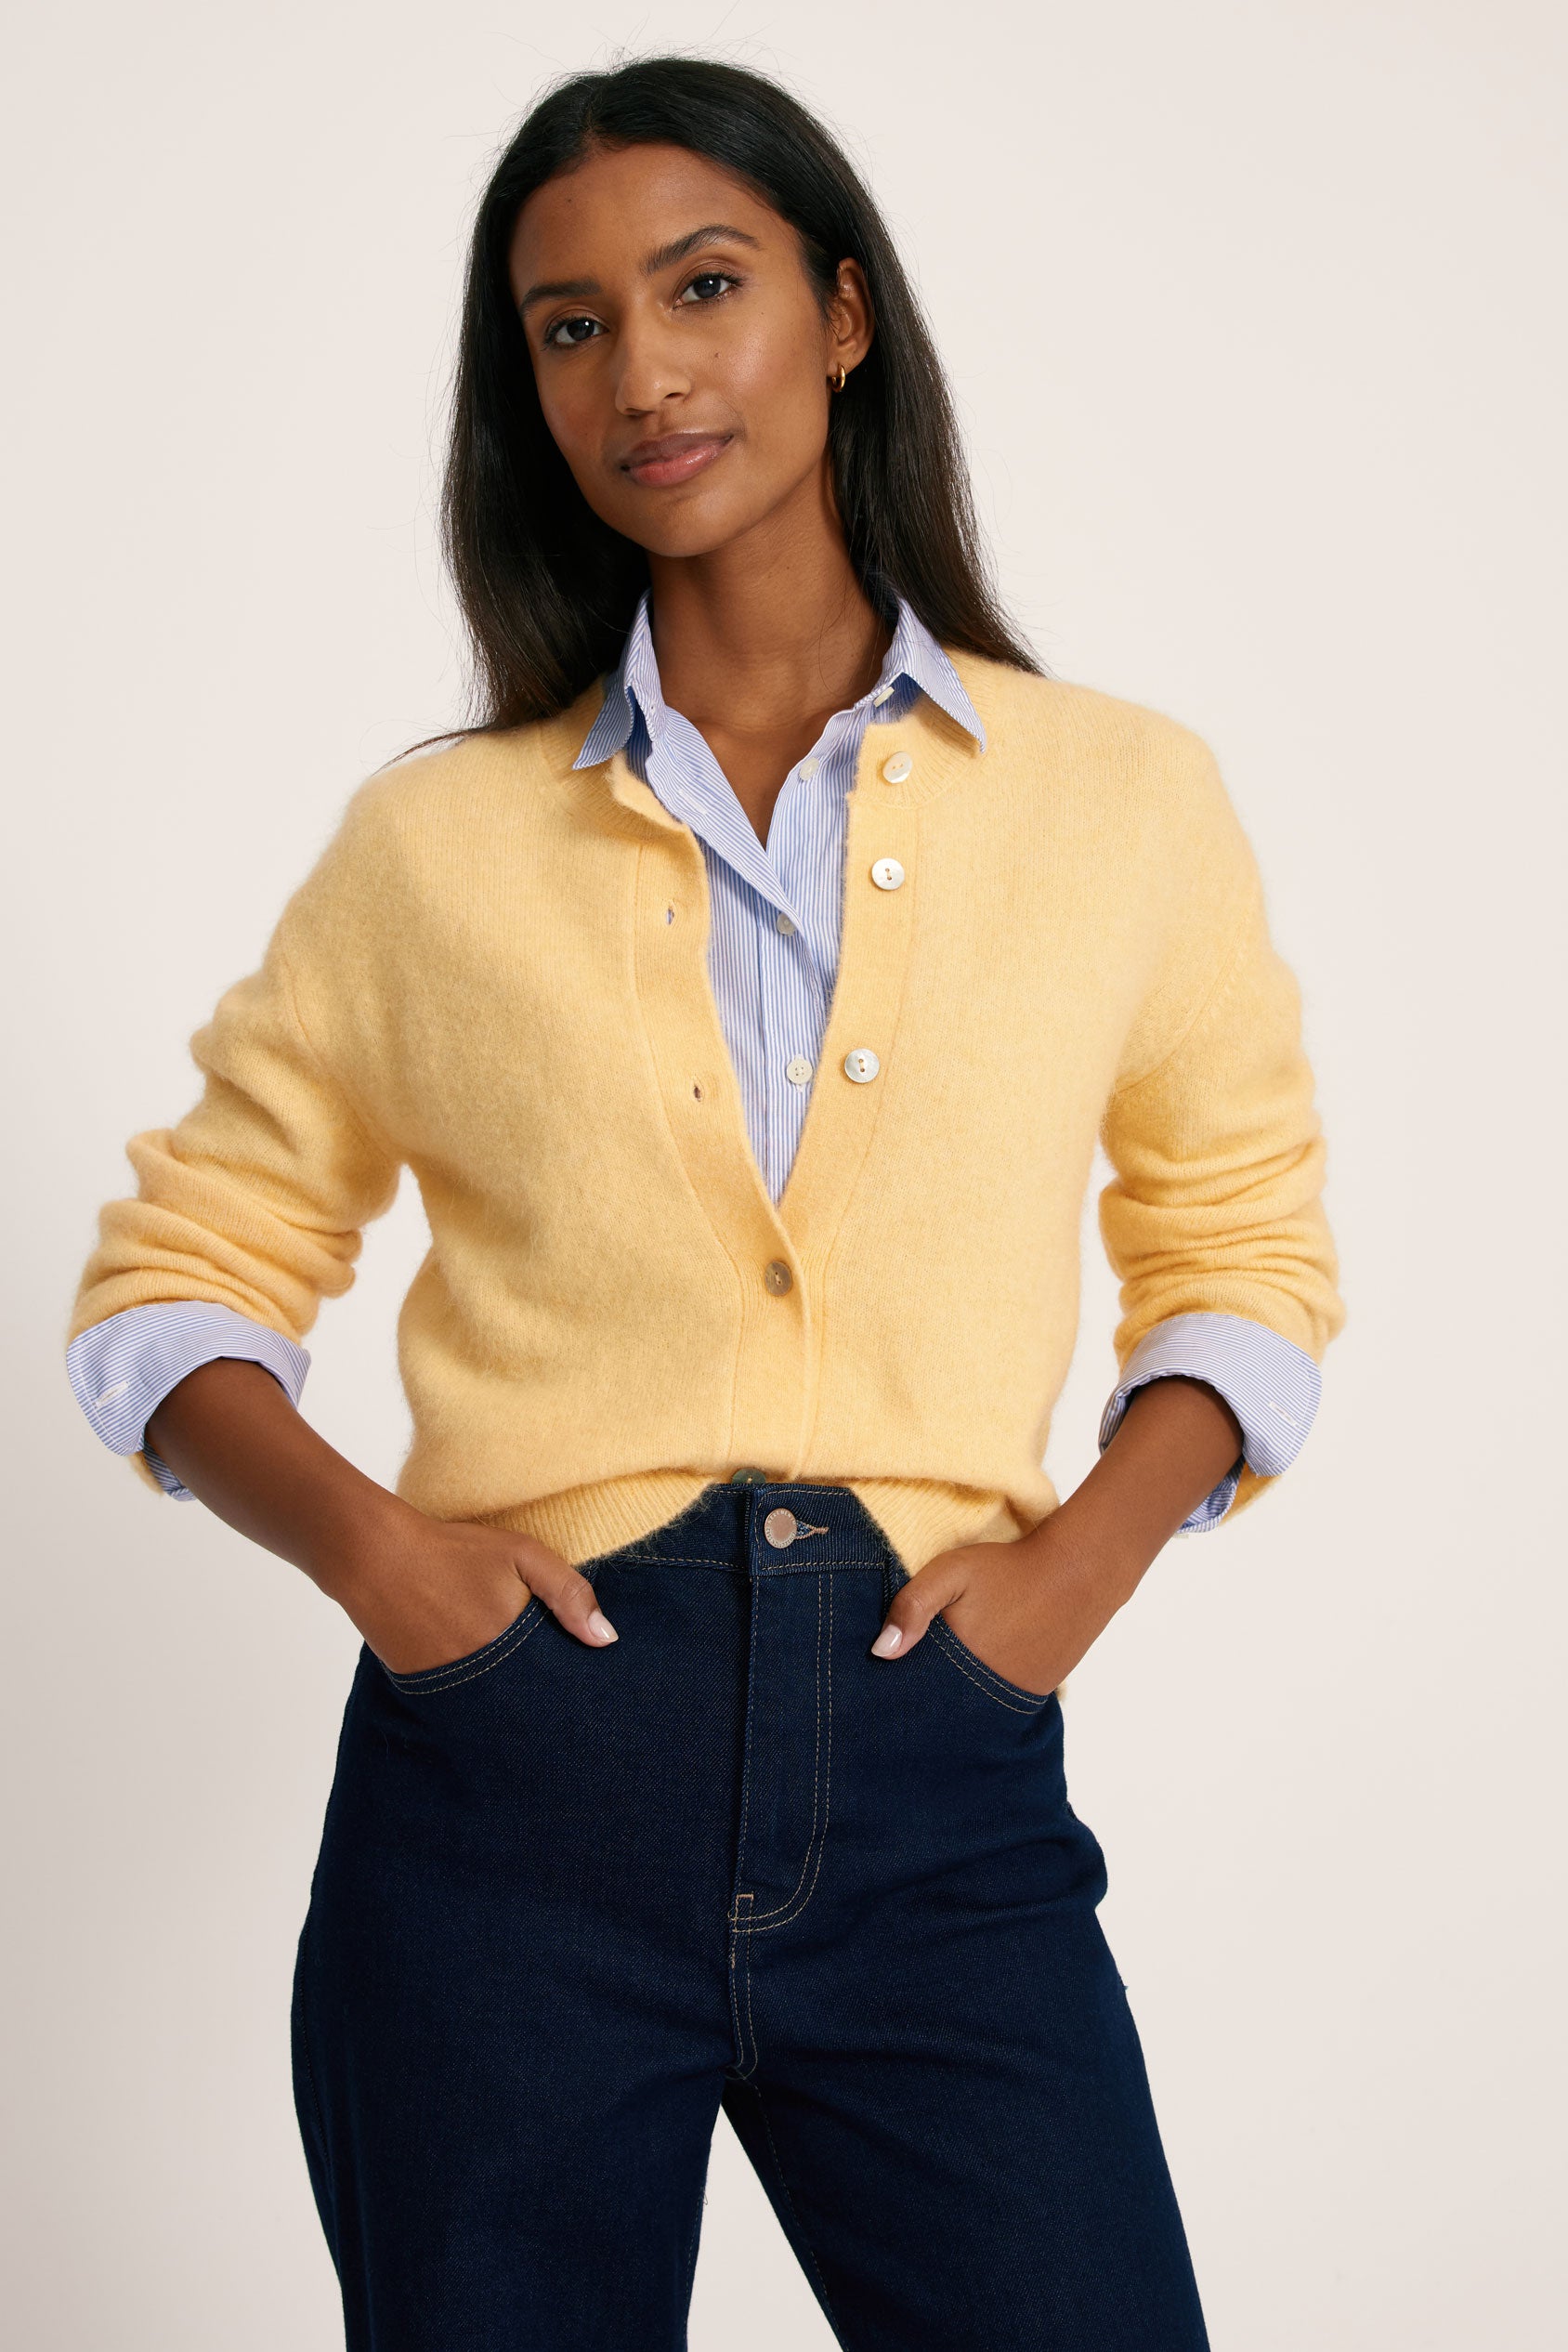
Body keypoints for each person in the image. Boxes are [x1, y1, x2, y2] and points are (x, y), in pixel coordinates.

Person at [65, 55, 1345, 2352]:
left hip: (940, 1785)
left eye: (704, 286)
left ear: (841, 316)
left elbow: (1240, 1254)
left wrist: (1071, 1573)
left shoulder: (1122, 801)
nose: (642, 372)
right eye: (567, 327)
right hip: (506, 1820)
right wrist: (384, 1559)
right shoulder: (435, 844)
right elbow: (174, 1282)